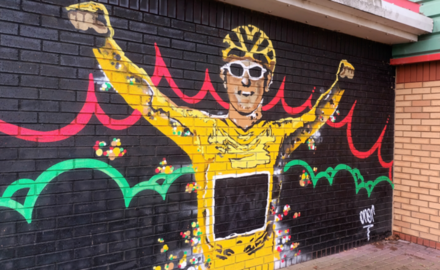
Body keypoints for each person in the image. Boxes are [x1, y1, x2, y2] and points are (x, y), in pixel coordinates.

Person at [66, 2, 355, 269]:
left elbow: (313, 119)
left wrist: (339, 86)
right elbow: (149, 101)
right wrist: (104, 43)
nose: (245, 80)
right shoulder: (202, 130)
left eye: (256, 71)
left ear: (267, 82)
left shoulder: (276, 136)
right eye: (237, 69)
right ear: (224, 76)